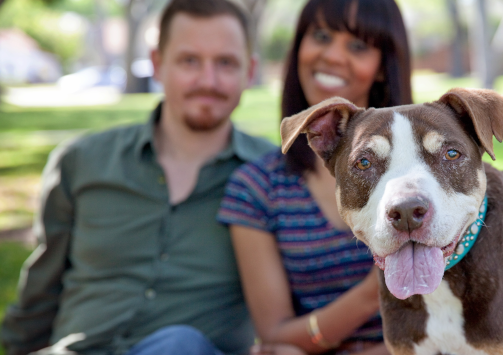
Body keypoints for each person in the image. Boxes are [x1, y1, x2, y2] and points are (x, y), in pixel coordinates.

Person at [0, 0, 276, 354]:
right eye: (189, 61)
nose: (208, 81)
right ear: (158, 64)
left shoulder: (272, 175)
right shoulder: (82, 162)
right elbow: (39, 293)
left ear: (249, 71)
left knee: (181, 344)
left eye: (225, 63)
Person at [216, 0, 412, 354]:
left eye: (358, 46)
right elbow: (274, 335)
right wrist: (370, 294)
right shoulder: (258, 187)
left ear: (383, 67)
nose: (333, 56)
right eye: (321, 36)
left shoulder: (425, 172)